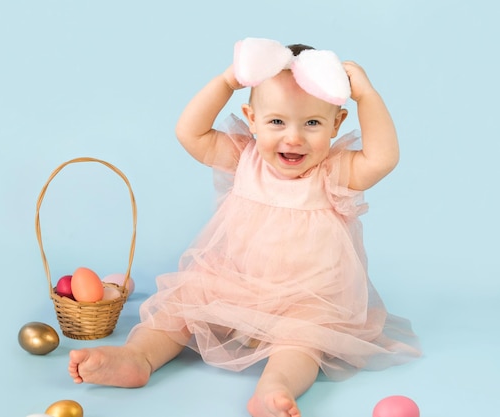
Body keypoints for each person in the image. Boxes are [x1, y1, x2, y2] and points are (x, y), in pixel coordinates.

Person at [68, 38, 421, 417]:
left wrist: (366, 95)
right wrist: (226, 80)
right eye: (276, 121)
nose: (293, 137)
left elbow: (383, 157)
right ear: (251, 119)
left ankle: (275, 386)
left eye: (313, 123)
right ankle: (138, 358)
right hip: (235, 282)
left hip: (307, 298)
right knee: (182, 304)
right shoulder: (243, 157)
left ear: (337, 123)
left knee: (302, 341)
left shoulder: (333, 172)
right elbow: (190, 132)